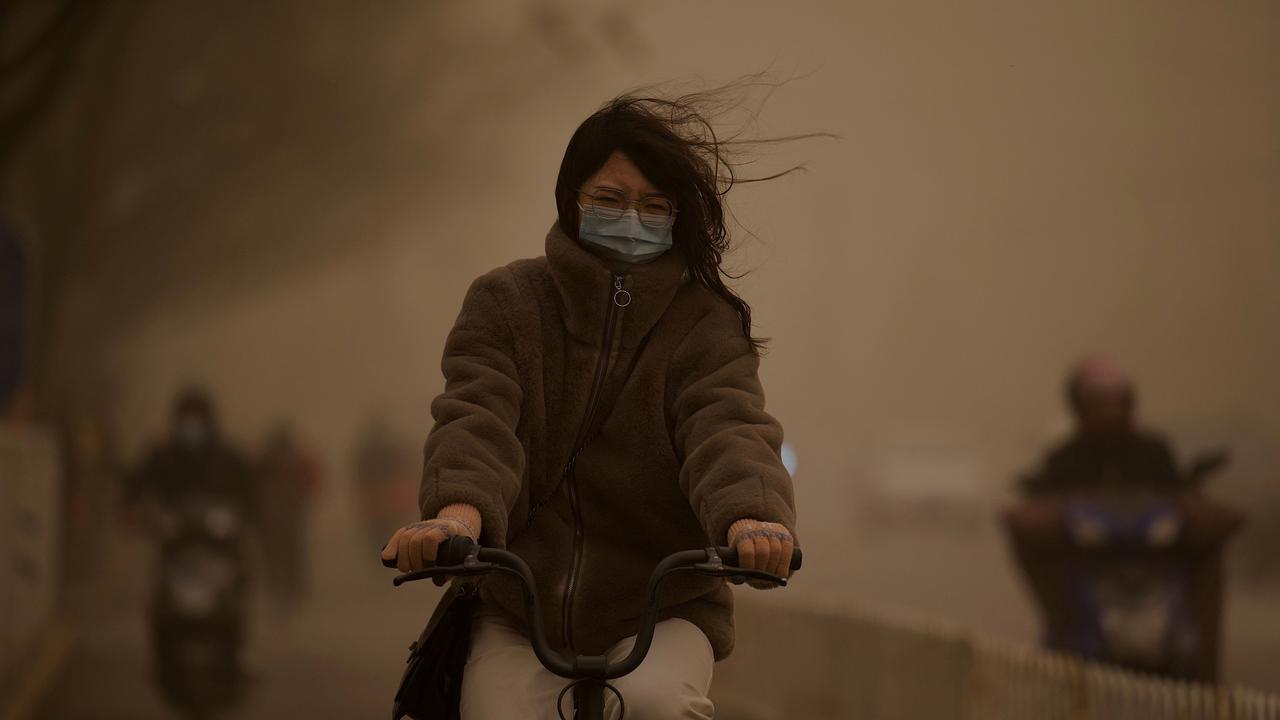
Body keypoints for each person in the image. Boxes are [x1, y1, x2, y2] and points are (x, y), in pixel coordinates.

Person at [380, 90, 801, 720]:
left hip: (665, 609)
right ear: (571, 200)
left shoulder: (706, 325)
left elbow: (727, 425)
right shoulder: (505, 302)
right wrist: (457, 518)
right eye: (609, 198)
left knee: (655, 705)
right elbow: (477, 416)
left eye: (654, 206)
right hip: (518, 606)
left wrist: (750, 518)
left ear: (677, 218)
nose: (630, 218)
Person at [1021, 356, 1182, 497]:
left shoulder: (1154, 454)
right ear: (1079, 409)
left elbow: (1182, 500)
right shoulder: (1064, 461)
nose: (1112, 413)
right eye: (1099, 404)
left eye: (1120, 403)